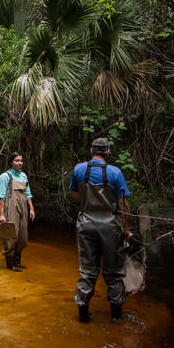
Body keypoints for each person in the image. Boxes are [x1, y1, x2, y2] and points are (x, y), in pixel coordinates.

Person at [69, 138, 131, 322]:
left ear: (91, 151)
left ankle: (83, 315)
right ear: (108, 152)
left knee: (87, 270)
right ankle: (116, 317)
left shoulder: (79, 170)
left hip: (85, 223)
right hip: (110, 227)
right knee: (114, 272)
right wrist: (126, 229)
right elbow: (123, 203)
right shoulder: (115, 172)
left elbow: (76, 194)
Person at [0, 152, 35, 271]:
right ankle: (10, 264)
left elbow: (28, 194)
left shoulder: (23, 176)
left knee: (23, 237)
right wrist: (2, 214)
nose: (20, 163)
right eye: (17, 161)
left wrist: (32, 209)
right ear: (11, 162)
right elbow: (1, 196)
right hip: (10, 207)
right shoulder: (4, 176)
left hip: (23, 207)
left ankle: (17, 261)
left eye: (21, 161)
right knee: (11, 236)